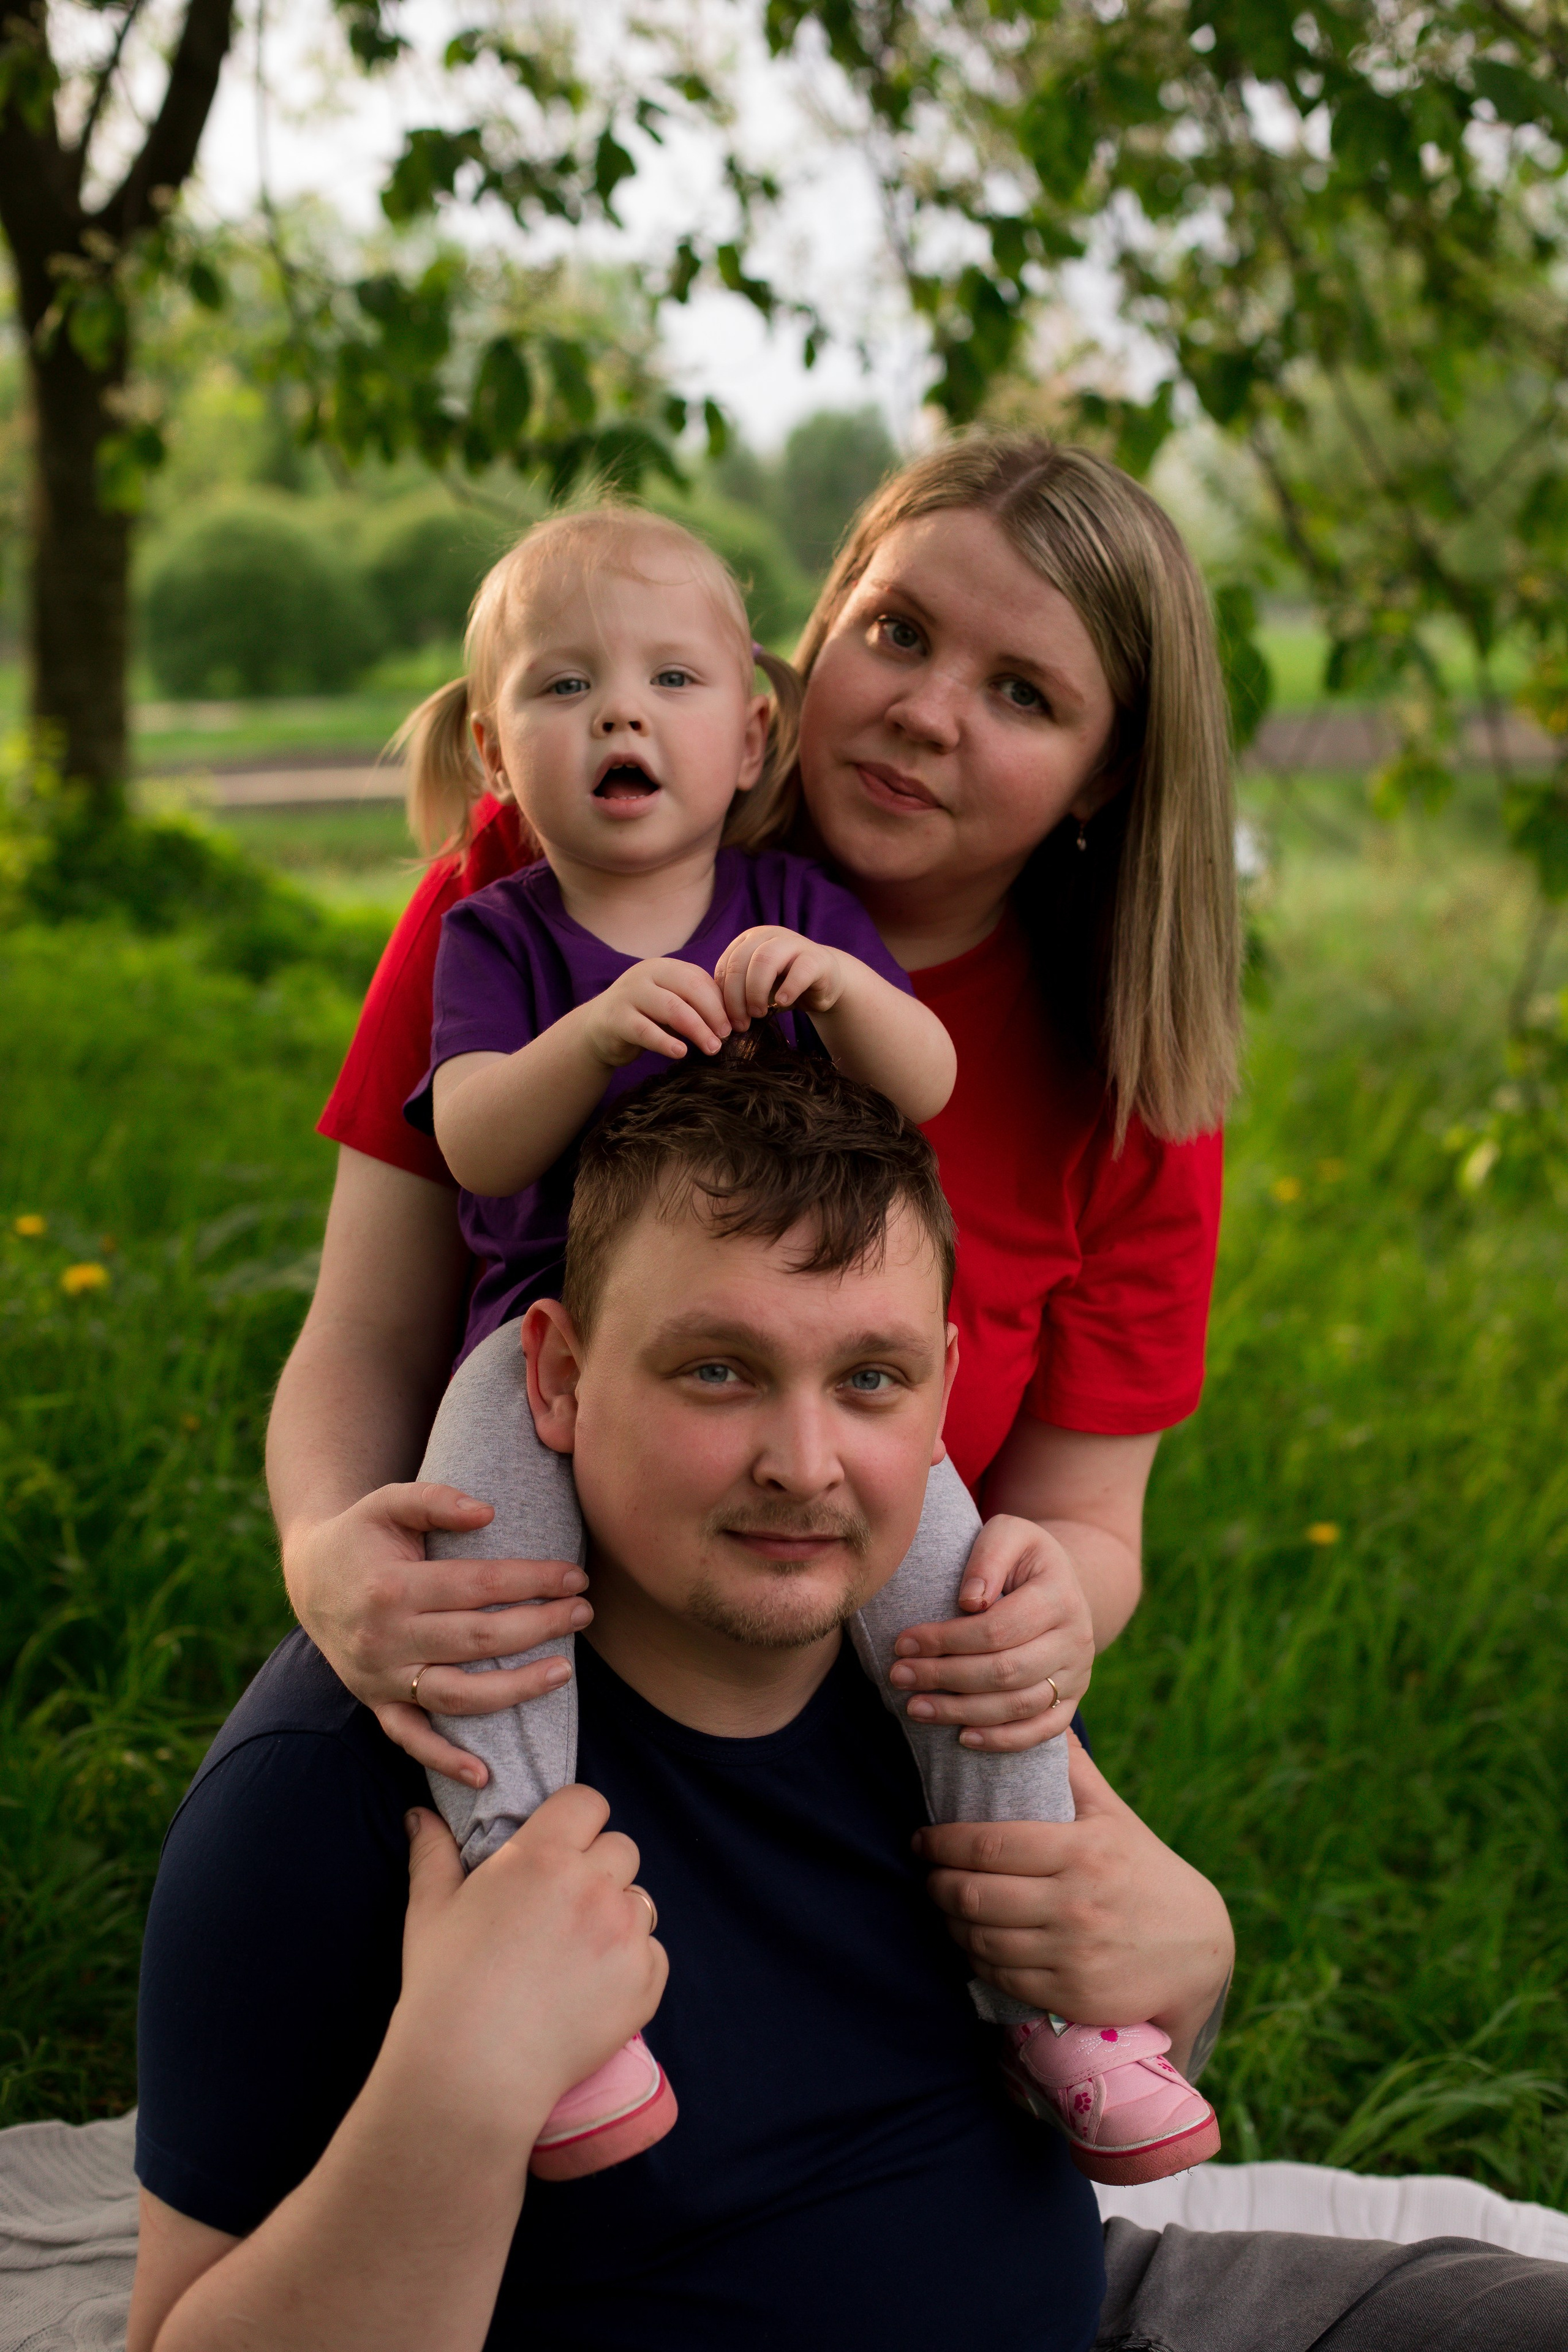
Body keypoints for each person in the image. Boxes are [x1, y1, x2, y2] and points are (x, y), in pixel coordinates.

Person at [129, 1055, 1568, 2352]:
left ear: (942, 1391)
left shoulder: (942, 1673)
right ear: (558, 1378)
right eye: (719, 1370)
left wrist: (1191, 1959)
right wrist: (457, 2092)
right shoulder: (342, 1779)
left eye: (868, 1379)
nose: (804, 1463)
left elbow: (1108, 2026)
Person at [390, 498, 1213, 2182]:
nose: (924, 710)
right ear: (812, 651)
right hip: (565, 1510)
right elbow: (381, 1295)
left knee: (1042, 1765)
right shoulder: (537, 887)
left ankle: (1053, 2025)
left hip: (839, 1624)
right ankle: (531, 1976)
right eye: (899, 634)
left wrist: (1053, 1604)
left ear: (1109, 772)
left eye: (1025, 693)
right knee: (480, 1602)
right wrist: (331, 1551)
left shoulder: (1030, 1040)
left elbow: (1091, 1523)